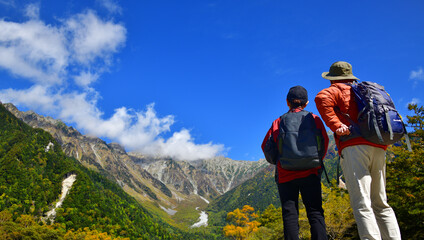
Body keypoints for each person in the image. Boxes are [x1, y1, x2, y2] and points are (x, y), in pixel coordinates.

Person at [314, 61, 401, 240]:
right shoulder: (365, 90)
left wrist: (337, 125)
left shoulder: (334, 90)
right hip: (378, 146)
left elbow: (321, 98)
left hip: (355, 147)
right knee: (381, 202)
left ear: (333, 78)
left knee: (362, 203)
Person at [262, 85, 329, 240]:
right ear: (306, 103)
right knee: (315, 211)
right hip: (311, 172)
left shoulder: (278, 122)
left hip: (286, 174)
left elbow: (266, 147)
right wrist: (316, 161)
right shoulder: (314, 119)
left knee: (289, 214)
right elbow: (324, 143)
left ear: (287, 102)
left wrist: (277, 161)